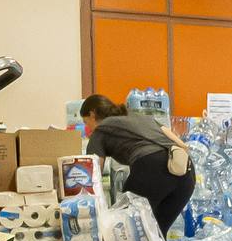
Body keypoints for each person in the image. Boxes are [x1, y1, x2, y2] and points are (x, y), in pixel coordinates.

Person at [79, 94, 197, 232]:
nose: (88, 128)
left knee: (126, 229)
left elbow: (93, 173)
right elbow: (179, 142)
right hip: (185, 170)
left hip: (151, 168)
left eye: (86, 123)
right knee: (157, 231)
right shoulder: (139, 118)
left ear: (92, 114)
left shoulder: (100, 130)